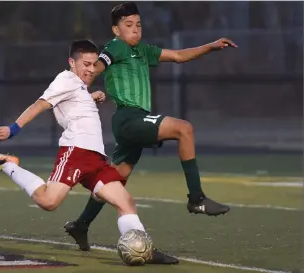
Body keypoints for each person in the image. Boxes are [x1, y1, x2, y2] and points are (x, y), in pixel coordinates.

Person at [0, 39, 179, 265]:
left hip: (96, 160)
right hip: (76, 154)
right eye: (86, 64)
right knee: (48, 201)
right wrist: (13, 129)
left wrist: (92, 97)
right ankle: (7, 163)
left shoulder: (79, 86)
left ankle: (145, 250)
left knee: (126, 202)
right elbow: (40, 104)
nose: (91, 70)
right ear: (72, 62)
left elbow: (72, 106)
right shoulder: (65, 79)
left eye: (94, 65)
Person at [65, 2, 238, 251]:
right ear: (116, 30)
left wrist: (210, 47)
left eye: (138, 25)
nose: (135, 30)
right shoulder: (116, 46)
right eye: (128, 25)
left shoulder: (143, 50)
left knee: (115, 178)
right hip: (128, 119)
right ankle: (196, 198)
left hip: (133, 122)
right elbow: (97, 65)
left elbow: (178, 56)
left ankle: (81, 225)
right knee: (184, 129)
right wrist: (84, 86)